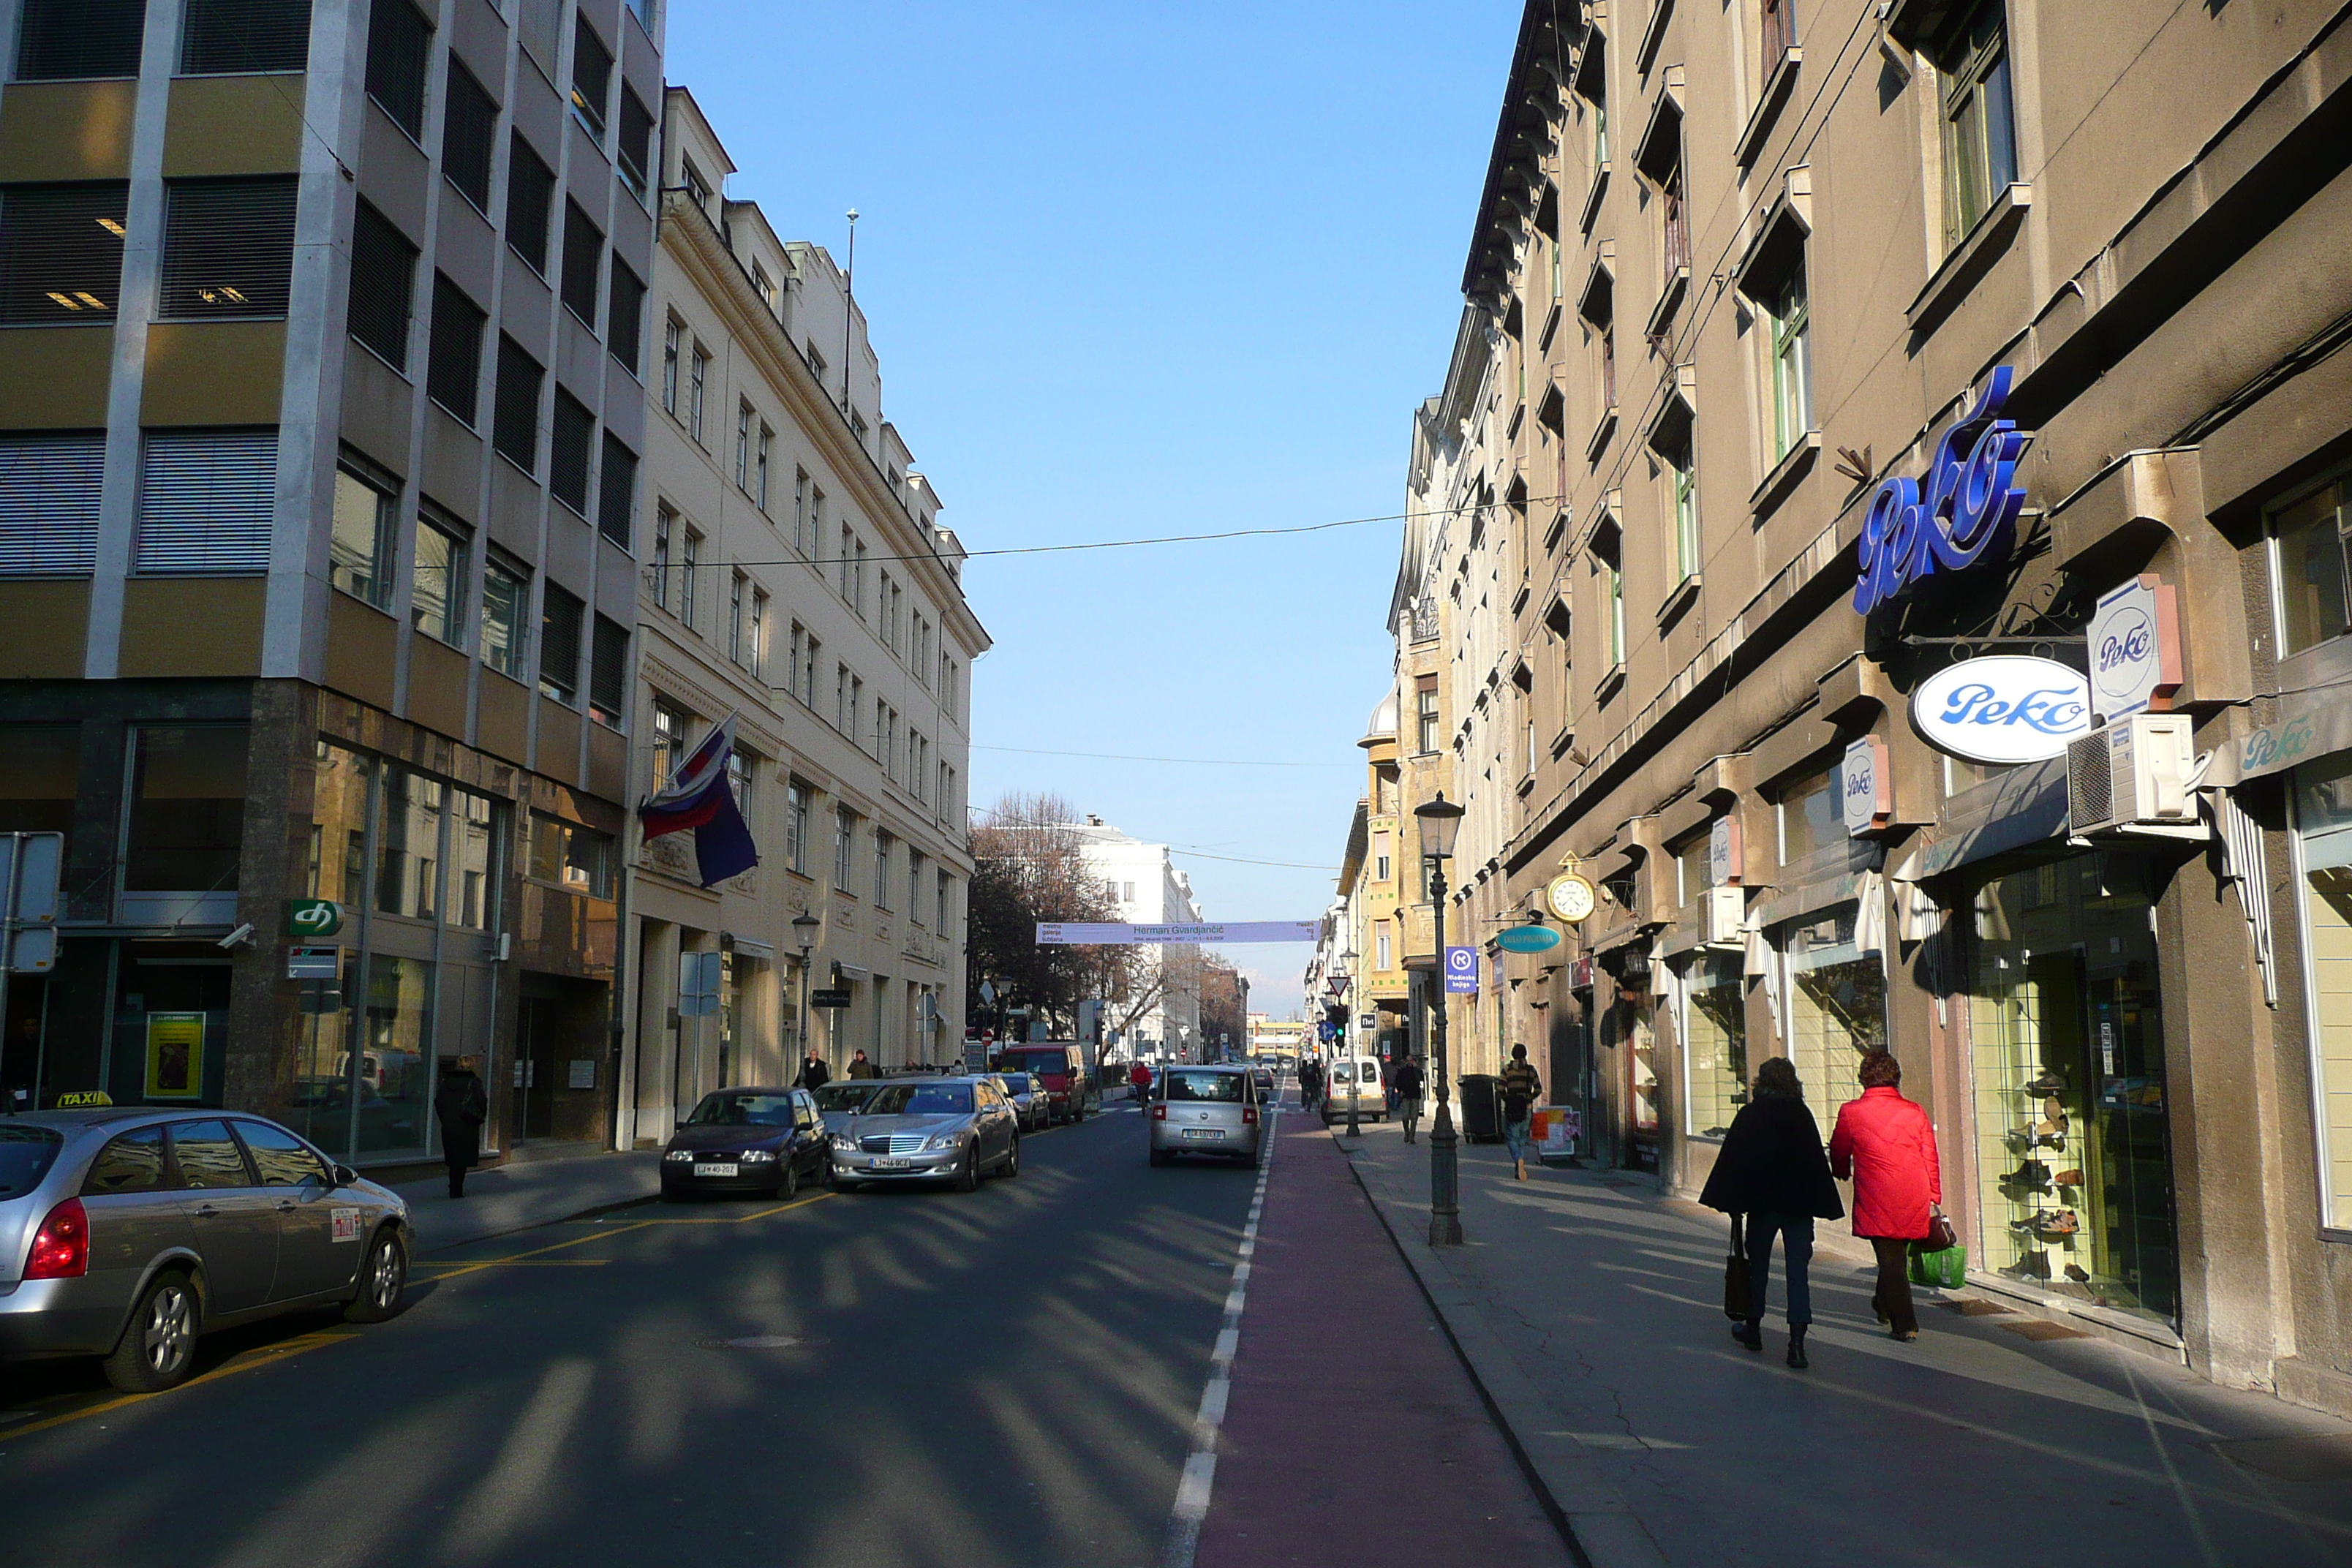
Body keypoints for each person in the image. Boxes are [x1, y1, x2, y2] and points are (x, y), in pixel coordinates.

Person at [1697, 1056, 1844, 1368]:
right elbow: (1815, 1162)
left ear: (1760, 1083)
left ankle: (1753, 1330)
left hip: (1762, 1208)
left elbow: (1734, 1161)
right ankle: (1797, 1345)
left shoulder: (1751, 1115)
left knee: (1757, 1269)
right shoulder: (1801, 1115)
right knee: (1798, 1274)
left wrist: (1732, 1203)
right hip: (1799, 1208)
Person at [1829, 1049, 1942, 1343]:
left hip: (1876, 1193)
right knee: (1895, 1257)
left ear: (1864, 1078)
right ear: (1896, 1078)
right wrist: (1934, 1193)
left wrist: (1841, 1170)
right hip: (1913, 1191)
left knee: (1890, 1260)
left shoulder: (1851, 1112)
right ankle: (1882, 1303)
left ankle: (1904, 1323)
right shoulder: (1914, 1111)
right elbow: (1929, 1155)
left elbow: (1839, 1149)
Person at [434, 1056, 488, 1199]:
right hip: (467, 1124)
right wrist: (479, 1116)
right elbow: (481, 1101)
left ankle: (454, 1187)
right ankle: (457, 1189)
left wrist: (445, 1118)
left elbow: (438, 1101)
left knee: (453, 1157)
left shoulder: (446, 1082)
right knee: (462, 1158)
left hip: (450, 1125)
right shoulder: (474, 1082)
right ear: (471, 1066)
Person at [1501, 1044, 1543, 1180]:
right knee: (1522, 1139)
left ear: (1513, 1055)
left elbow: (1500, 1088)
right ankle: (1520, 1164)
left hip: (1512, 1108)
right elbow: (1538, 1089)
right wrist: (1528, 1098)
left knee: (1512, 1138)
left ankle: (1518, 1159)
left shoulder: (1507, 1070)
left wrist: (1508, 1099)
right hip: (1527, 1108)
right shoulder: (1531, 1071)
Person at [1394, 1053, 1426, 1144]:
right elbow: (1398, 1081)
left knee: (1414, 1117)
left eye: (1411, 1060)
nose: (1409, 1063)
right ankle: (1406, 1132)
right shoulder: (1402, 1071)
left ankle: (1412, 1136)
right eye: (1408, 1061)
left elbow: (1421, 1079)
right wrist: (1400, 1090)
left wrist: (1416, 1068)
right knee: (1405, 1117)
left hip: (1415, 1095)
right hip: (1405, 1095)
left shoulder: (1417, 1071)